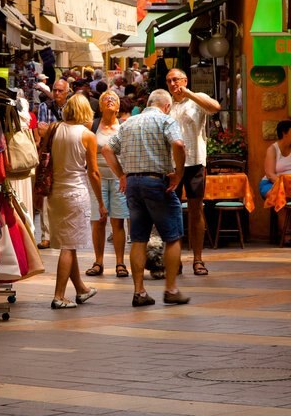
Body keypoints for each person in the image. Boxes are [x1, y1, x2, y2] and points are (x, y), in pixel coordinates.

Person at [103, 89, 191, 307]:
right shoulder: (165, 120)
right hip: (156, 182)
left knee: (139, 238)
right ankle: (171, 289)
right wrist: (179, 174)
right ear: (167, 106)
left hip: (132, 184)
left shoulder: (129, 123)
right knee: (172, 236)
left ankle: (139, 292)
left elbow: (106, 149)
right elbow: (179, 145)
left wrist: (122, 174)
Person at [46, 94, 104, 308]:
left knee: (68, 243)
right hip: (75, 193)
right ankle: (59, 296)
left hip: (55, 193)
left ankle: (81, 288)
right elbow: (94, 173)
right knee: (68, 247)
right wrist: (100, 201)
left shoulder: (54, 129)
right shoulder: (87, 135)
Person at [165, 68, 221, 276]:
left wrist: (188, 93)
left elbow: (215, 107)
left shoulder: (197, 99)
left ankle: (198, 259)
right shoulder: (166, 104)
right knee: (172, 210)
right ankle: (175, 258)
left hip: (195, 162)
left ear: (185, 80)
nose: (172, 84)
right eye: (169, 81)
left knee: (196, 210)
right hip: (171, 165)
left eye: (176, 79)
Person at [84, 91, 130, 278]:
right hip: (97, 178)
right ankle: (98, 261)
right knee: (98, 221)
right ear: (100, 106)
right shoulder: (92, 125)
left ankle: (120, 262)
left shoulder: (125, 126)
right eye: (106, 99)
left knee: (118, 221)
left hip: (119, 179)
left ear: (119, 107)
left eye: (114, 99)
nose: (110, 100)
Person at [34, 78, 71, 248]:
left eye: (60, 91)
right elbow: (42, 132)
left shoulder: (72, 107)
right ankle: (46, 235)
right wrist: (60, 129)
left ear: (67, 92)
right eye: (55, 90)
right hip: (49, 154)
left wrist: (52, 129)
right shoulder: (44, 107)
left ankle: (62, 232)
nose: (56, 93)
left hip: (68, 155)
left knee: (66, 194)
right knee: (46, 195)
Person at [261, 120, 291, 245]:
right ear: (284, 133)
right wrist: (285, 185)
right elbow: (270, 174)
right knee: (280, 196)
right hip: (271, 184)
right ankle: (286, 234)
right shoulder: (273, 149)